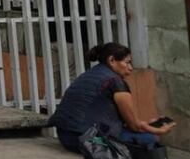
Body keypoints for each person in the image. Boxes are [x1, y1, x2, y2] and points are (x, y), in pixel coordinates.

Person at [48, 42, 176, 152]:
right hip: (87, 140)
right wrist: (157, 130)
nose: (130, 68)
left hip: (65, 136)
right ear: (112, 60)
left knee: (130, 133)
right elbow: (134, 126)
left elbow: (126, 122)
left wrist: (146, 124)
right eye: (127, 62)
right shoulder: (115, 82)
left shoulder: (89, 75)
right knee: (149, 138)